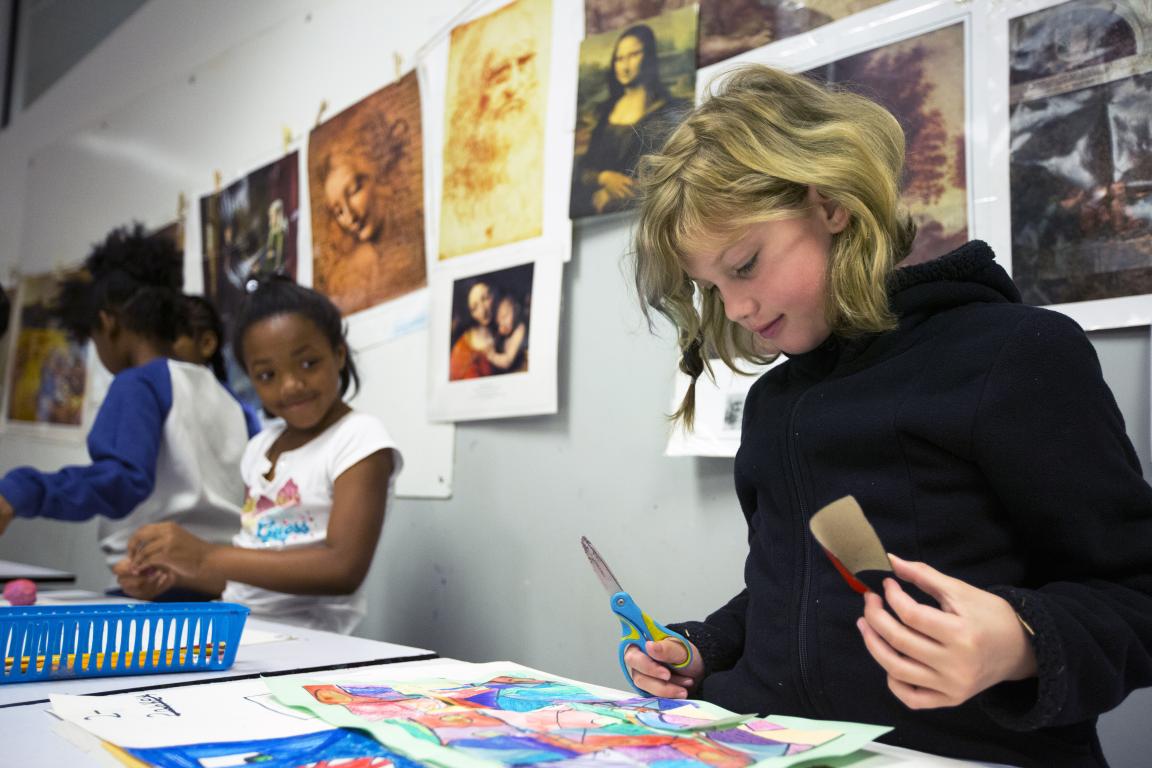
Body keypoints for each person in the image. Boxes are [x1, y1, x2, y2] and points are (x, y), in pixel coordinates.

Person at [623, 64, 1152, 767]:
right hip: (767, 745)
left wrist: (1020, 641)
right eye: (711, 288)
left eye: (745, 265)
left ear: (831, 203)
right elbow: (800, 591)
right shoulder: (777, 401)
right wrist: (703, 648)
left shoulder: (1014, 354)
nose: (738, 309)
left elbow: (1135, 594)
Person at [124, 275, 401, 634]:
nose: (290, 385)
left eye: (308, 364)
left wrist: (206, 555)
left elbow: (342, 568)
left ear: (338, 354)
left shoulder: (359, 439)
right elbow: (248, 577)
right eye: (267, 374)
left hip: (309, 642)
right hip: (239, 628)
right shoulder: (259, 448)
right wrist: (173, 572)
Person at [0, 224, 250, 601]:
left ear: (107, 322)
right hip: (222, 586)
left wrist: (20, 490)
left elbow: (121, 481)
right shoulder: (225, 397)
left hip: (155, 589)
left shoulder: (137, 384)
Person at [570, 24, 691, 218]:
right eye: (619, 59)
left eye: (634, 55)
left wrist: (616, 195)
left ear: (648, 57)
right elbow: (582, 169)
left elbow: (674, 176)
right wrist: (604, 178)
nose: (625, 66)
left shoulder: (669, 112)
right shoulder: (603, 111)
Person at [170, 293, 262, 435]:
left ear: (207, 343)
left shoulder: (236, 409)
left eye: (171, 338)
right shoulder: (163, 397)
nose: (160, 350)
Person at [449, 280, 496, 380]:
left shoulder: (501, 325)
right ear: (469, 313)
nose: (483, 311)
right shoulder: (462, 351)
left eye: (485, 298)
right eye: (475, 308)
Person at [487, 293, 528, 374]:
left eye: (505, 316)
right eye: (498, 322)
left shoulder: (520, 329)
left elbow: (507, 361)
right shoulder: (505, 333)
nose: (502, 323)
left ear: (516, 310)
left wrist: (492, 356)